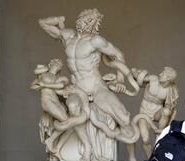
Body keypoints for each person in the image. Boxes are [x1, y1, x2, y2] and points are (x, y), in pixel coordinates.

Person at [38, 9, 137, 142]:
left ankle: (128, 154)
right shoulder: (68, 36)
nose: (86, 22)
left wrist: (119, 79)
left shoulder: (96, 41)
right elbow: (43, 23)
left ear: (95, 23)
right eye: (85, 18)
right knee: (73, 107)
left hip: (96, 88)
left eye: (91, 20)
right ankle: (85, 148)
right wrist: (58, 20)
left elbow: (118, 55)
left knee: (124, 118)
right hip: (77, 89)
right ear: (79, 19)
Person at [126, 67, 179, 161]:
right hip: (144, 113)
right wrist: (135, 72)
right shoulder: (153, 79)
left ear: (168, 79)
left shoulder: (171, 90)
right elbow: (138, 79)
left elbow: (172, 109)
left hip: (157, 113)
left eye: (163, 73)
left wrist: (170, 124)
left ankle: (159, 134)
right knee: (145, 139)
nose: (160, 74)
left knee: (166, 111)